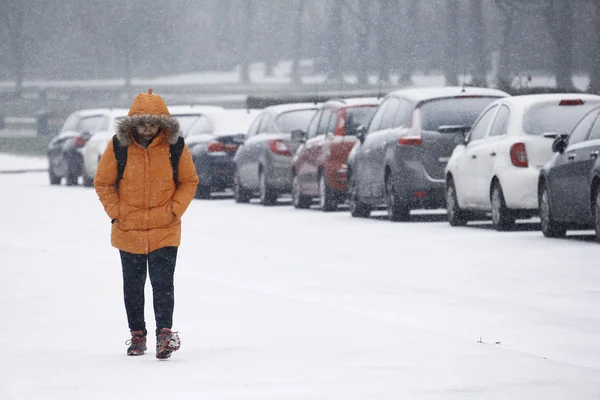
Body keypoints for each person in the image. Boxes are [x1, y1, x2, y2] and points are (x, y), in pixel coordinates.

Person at [94, 89, 199, 359]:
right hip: (128, 228)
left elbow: (189, 181)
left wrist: (174, 210)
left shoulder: (175, 146)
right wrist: (117, 212)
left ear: (163, 124)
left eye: (153, 123)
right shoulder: (118, 146)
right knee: (133, 284)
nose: (148, 129)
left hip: (165, 227)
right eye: (143, 123)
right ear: (133, 124)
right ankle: (137, 335)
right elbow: (104, 182)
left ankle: (165, 334)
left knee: (163, 283)